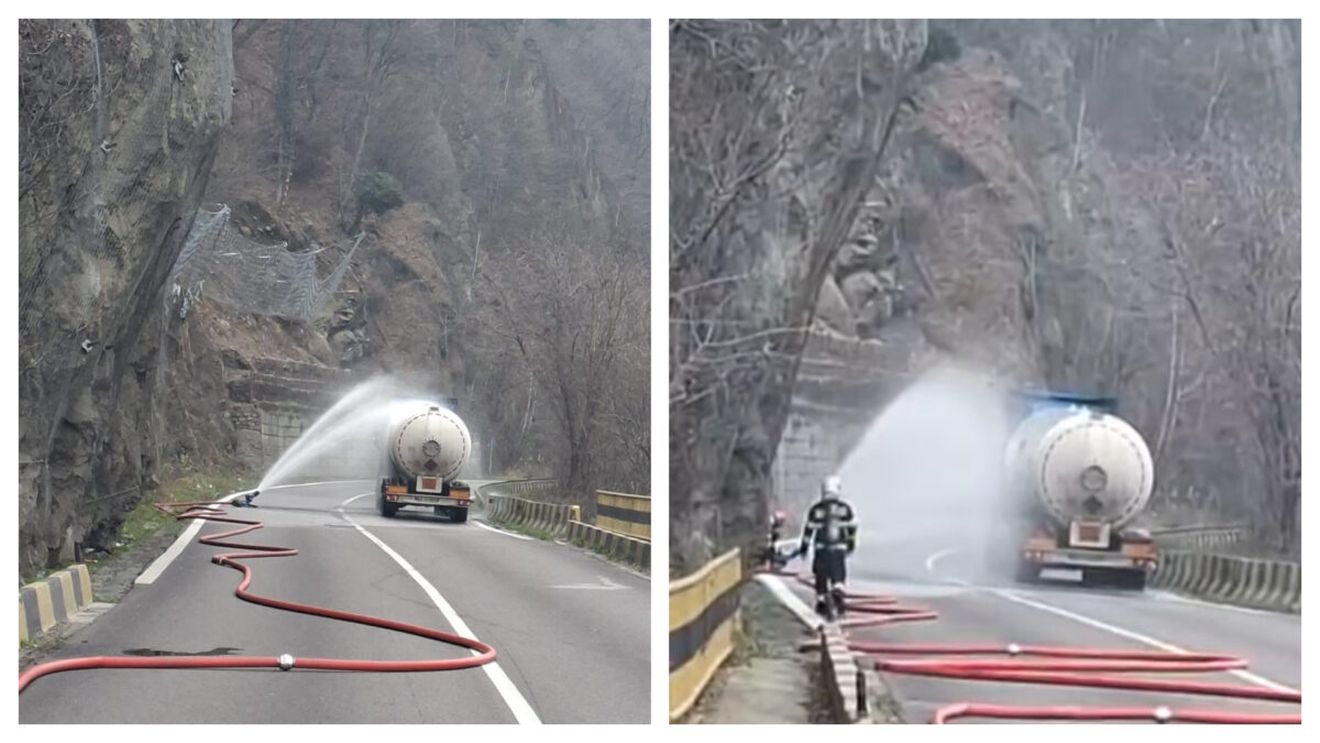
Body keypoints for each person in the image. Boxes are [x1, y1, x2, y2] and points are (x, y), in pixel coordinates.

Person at [798, 475, 858, 619]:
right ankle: (838, 597)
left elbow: (809, 531)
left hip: (821, 550)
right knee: (838, 575)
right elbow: (852, 529)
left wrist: (804, 548)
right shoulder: (845, 509)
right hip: (839, 550)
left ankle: (822, 602)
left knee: (821, 576)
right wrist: (850, 544)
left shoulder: (816, 510)